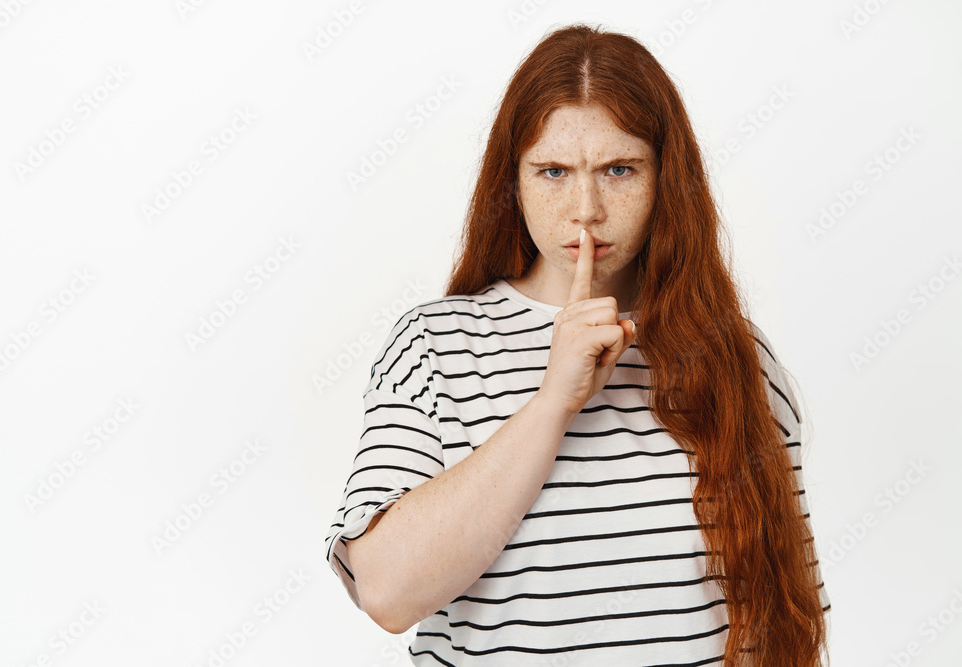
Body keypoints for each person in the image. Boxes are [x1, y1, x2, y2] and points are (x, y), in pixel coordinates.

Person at [324, 22, 831, 666]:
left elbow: (786, 621)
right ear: (513, 180)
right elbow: (387, 593)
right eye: (553, 171)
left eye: (620, 169)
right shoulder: (435, 346)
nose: (585, 208)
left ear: (665, 180)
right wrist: (551, 403)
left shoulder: (740, 357)